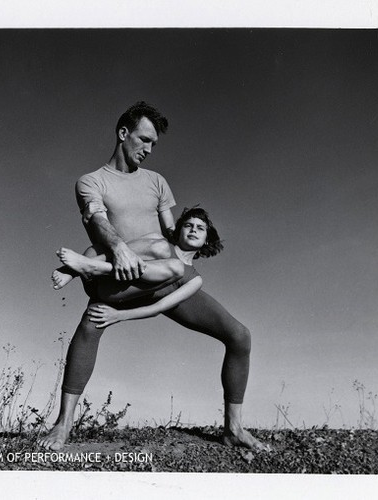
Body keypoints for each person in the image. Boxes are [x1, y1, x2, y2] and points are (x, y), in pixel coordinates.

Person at [39, 101, 268, 451]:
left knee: (240, 336)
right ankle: (63, 425)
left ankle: (233, 430)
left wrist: (197, 238)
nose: (148, 150)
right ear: (123, 133)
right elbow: (99, 222)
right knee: (92, 321)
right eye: (144, 140)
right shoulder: (91, 182)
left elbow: (170, 233)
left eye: (154, 145)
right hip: (121, 279)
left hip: (161, 276)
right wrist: (119, 249)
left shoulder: (157, 182)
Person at [54, 206, 222, 326]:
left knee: (177, 267)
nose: (193, 230)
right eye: (188, 225)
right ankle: (78, 269)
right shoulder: (159, 241)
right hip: (94, 264)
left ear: (207, 239)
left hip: (112, 291)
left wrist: (119, 315)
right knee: (156, 245)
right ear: (180, 230)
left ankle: (91, 267)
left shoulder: (194, 279)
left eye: (200, 228)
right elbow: (119, 251)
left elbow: (158, 308)